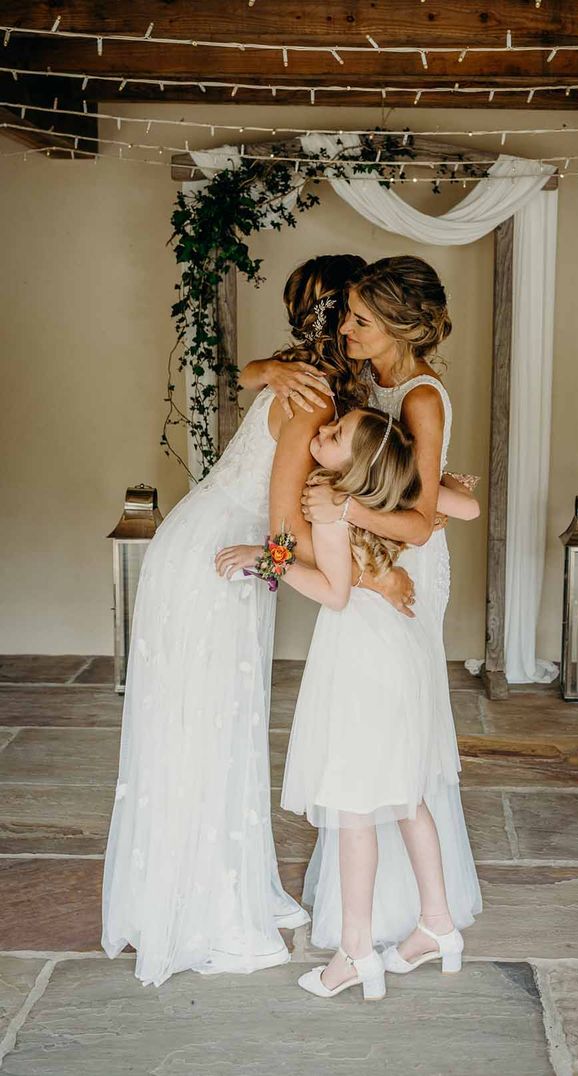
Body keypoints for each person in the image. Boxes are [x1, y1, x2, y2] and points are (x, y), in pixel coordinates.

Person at [101, 254, 415, 987]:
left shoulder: (309, 383)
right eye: (360, 312)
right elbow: (282, 528)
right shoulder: (308, 399)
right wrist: (375, 573)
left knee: (220, 724)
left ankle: (217, 884)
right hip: (220, 561)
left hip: (223, 554)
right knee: (205, 727)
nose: (363, 325)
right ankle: (201, 908)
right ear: (342, 319)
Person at [244, 255, 483, 986]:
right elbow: (420, 482)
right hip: (368, 552)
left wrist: (347, 517)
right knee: (394, 759)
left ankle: (370, 935)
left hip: (400, 568)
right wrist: (266, 373)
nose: (346, 330)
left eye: (361, 320)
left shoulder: (419, 399)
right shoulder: (370, 381)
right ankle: (416, 918)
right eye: (345, 315)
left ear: (402, 328)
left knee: (377, 746)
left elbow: (416, 520)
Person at [215, 404, 479, 1000]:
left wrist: (265, 564)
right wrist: (425, 482)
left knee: (355, 809)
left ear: (360, 466)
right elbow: (465, 506)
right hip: (403, 653)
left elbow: (333, 592)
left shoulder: (331, 501)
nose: (322, 436)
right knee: (408, 796)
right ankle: (438, 925)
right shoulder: (399, 500)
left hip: (363, 661)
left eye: (335, 436)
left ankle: (355, 951)